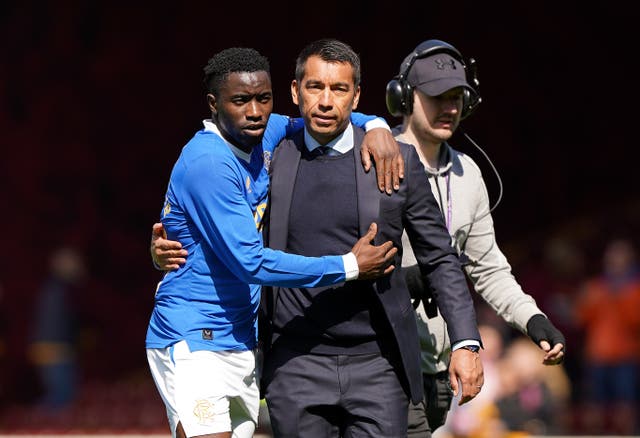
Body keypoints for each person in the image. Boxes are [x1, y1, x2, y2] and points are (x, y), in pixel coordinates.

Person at [145, 47, 404, 438]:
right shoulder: (208, 163)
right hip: (194, 335)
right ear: (214, 104)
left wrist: (379, 125)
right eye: (240, 101)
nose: (254, 111)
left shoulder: (266, 133)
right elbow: (251, 263)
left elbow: (326, 116)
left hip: (240, 339)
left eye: (263, 99)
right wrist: (348, 266)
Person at [258, 38, 482, 437]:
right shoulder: (270, 156)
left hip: (378, 364)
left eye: (339, 89)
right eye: (315, 87)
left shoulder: (397, 158)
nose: (326, 101)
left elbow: (439, 257)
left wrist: (466, 341)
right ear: (295, 92)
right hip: (295, 363)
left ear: (356, 95)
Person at [384, 39, 567, 437]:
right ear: (404, 97)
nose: (450, 108)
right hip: (380, 359)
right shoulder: (377, 160)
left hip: (437, 366)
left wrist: (533, 320)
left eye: (458, 98)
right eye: (438, 97)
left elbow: (489, 268)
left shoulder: (469, 174)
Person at [574, 237, 640, 435]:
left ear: (629, 260)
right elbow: (580, 317)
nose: (615, 262)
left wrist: (620, 298)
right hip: (598, 355)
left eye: (620, 257)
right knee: (594, 404)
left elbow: (635, 321)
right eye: (612, 257)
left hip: (626, 355)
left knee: (625, 404)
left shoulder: (635, 289)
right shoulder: (596, 287)